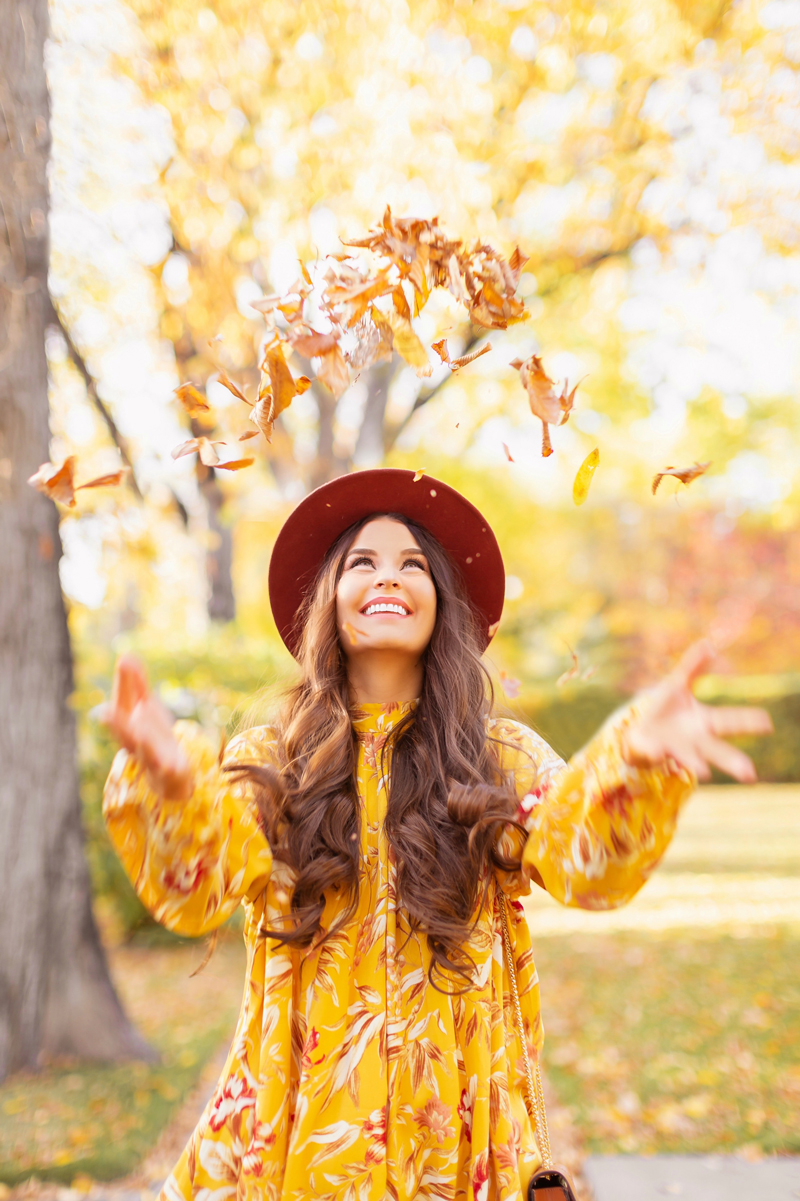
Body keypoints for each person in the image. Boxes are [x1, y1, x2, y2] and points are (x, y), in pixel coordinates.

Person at [102, 468, 772, 1201]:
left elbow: (587, 862)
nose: (388, 576)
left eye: (411, 564)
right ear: (328, 597)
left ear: (439, 602)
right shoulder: (273, 757)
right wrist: (169, 788)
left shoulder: (498, 755)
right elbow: (196, 887)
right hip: (300, 1139)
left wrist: (634, 765)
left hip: (460, 1142)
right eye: (363, 561)